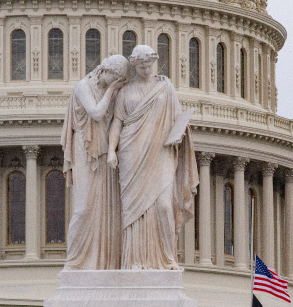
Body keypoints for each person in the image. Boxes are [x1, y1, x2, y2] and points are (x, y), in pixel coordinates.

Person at [107, 45, 199, 270]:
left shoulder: (165, 88)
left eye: (150, 66)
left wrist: (177, 135)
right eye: (142, 66)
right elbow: (117, 122)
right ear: (134, 66)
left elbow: (178, 119)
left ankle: (167, 259)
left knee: (164, 207)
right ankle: (135, 261)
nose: (147, 70)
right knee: (133, 212)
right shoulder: (125, 91)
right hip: (131, 152)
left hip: (161, 151)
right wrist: (111, 150)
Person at [61, 55, 129, 270]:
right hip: (85, 149)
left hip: (103, 153)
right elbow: (97, 113)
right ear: (105, 71)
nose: (115, 84)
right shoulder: (83, 86)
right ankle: (74, 262)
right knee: (83, 208)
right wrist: (112, 89)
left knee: (104, 209)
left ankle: (101, 262)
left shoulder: (114, 90)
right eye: (115, 79)